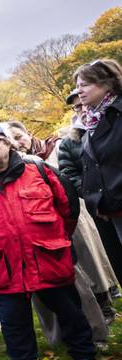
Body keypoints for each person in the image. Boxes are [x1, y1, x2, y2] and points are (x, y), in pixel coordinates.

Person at [0, 123, 102, 360]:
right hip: (4, 267)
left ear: (8, 145)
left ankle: (85, 358)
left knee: (70, 313)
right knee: (13, 323)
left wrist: (55, 240)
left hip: (47, 259)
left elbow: (68, 208)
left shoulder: (40, 171)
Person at [75, 58, 122, 247]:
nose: (79, 91)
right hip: (111, 211)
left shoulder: (118, 113)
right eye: (77, 86)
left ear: (106, 83)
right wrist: (97, 200)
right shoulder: (91, 122)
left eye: (85, 85)